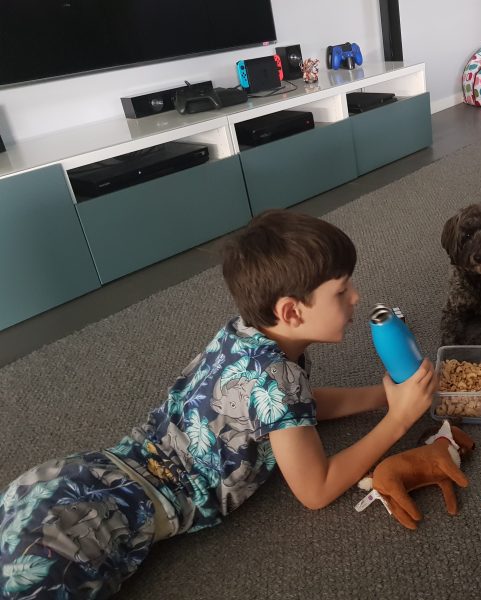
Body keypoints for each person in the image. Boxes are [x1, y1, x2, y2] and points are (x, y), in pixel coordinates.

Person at [0, 210, 436, 599]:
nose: (356, 296)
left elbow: (293, 411)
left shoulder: (243, 332)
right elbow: (315, 489)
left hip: (66, 478)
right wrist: (398, 420)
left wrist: (381, 396)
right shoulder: (279, 379)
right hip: (93, 524)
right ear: (291, 312)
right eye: (341, 291)